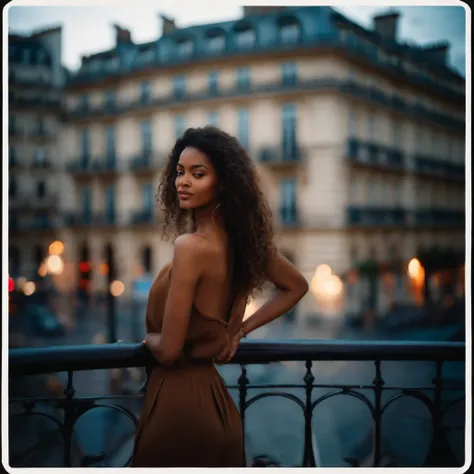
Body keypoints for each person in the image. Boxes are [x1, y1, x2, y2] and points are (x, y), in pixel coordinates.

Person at [131, 126, 309, 467]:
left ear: (223, 183)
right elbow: (297, 286)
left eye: (198, 174)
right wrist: (239, 330)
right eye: (180, 172)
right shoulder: (246, 244)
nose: (183, 182)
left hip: (178, 409)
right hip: (216, 405)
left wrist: (144, 341)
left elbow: (169, 351)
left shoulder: (190, 248)